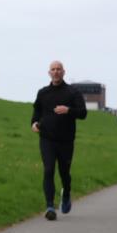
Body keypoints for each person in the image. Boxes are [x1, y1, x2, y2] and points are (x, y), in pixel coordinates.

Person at [31, 61, 87, 220]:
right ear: (49, 73)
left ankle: (66, 193)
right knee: (48, 170)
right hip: (47, 138)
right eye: (53, 69)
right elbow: (36, 112)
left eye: (58, 69)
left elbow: (83, 113)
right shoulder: (43, 93)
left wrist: (68, 110)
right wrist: (34, 124)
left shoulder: (72, 92)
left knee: (64, 172)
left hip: (66, 140)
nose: (56, 72)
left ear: (63, 72)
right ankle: (49, 206)